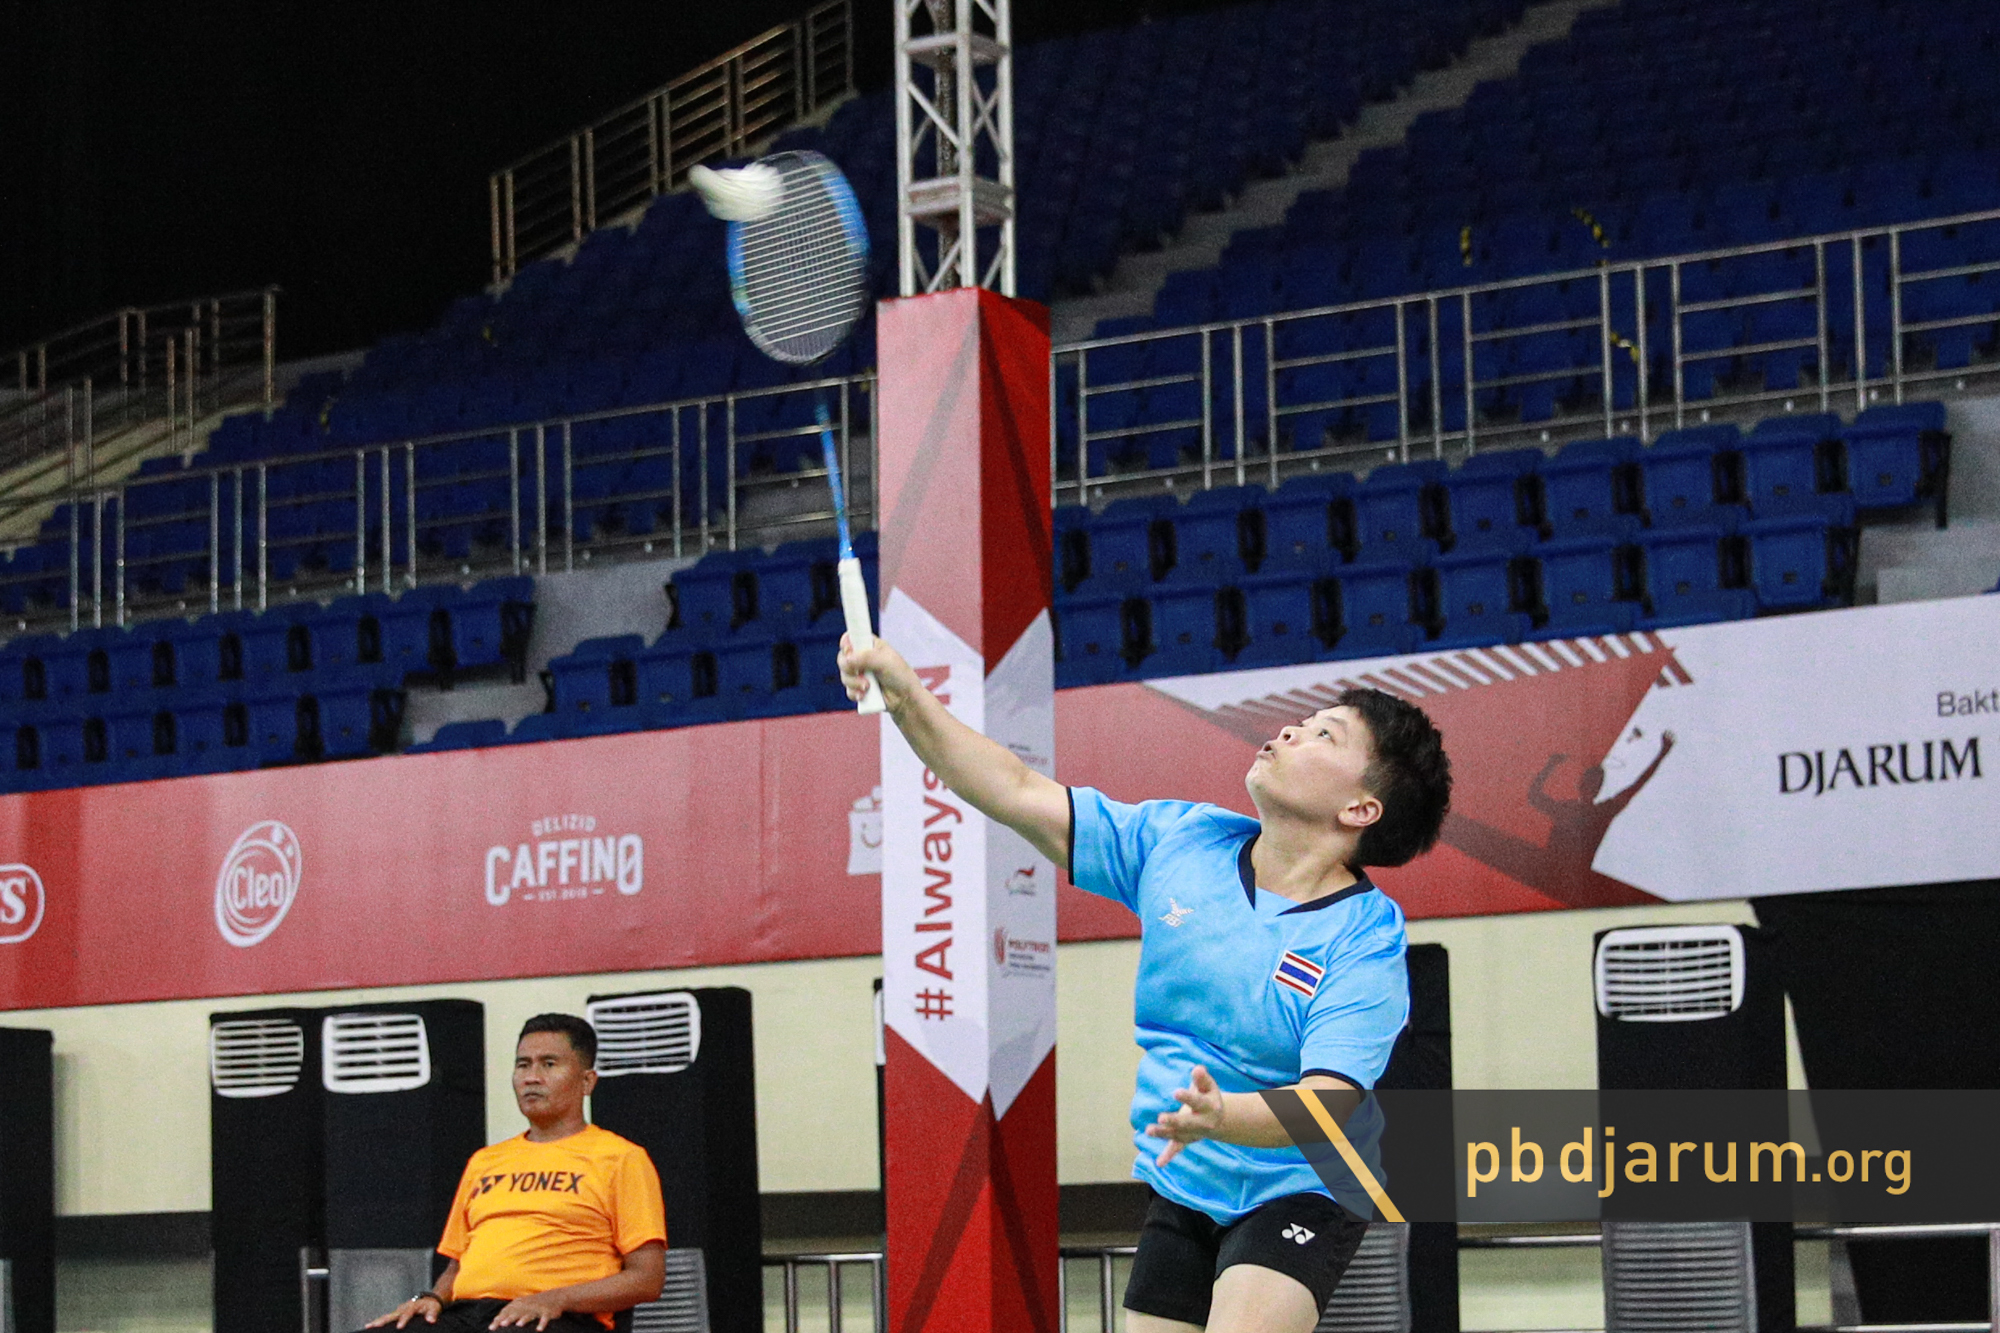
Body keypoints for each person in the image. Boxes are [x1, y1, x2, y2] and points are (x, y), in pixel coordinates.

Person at [839, 635, 1451, 1333]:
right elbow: (1013, 789)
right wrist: (906, 697)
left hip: (1302, 1184)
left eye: (1324, 736)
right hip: (1184, 1178)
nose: (1290, 731)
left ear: (1361, 809)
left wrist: (1225, 1115)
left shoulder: (1364, 939)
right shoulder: (1182, 841)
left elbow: (1328, 1105)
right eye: (1303, 722)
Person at [366, 1015, 667, 1333]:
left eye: (548, 1064)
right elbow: (457, 1267)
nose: (531, 1077)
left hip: (558, 1317)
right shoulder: (485, 1161)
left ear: (587, 1081)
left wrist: (554, 1299)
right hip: (467, 1315)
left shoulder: (621, 1158)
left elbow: (647, 1279)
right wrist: (433, 1298)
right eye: (523, 1065)